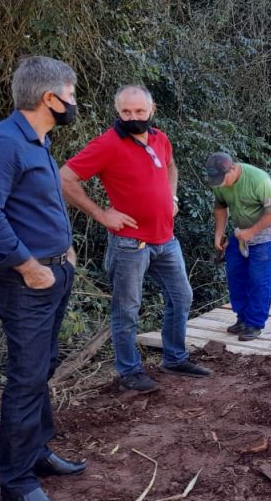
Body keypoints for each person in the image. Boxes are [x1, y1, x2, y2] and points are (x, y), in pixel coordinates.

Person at [0, 56, 84, 501]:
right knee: (26, 376)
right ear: (48, 98)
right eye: (71, 95)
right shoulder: (2, 143)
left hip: (54, 273)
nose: (74, 103)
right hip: (27, 281)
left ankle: (36, 450)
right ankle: (16, 483)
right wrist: (29, 266)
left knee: (43, 366)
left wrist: (66, 251)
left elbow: (41, 207)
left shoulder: (39, 141)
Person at [60, 85, 210, 393]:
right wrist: (102, 215)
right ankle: (129, 371)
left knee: (181, 297)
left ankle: (174, 358)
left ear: (151, 109)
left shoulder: (159, 138)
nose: (133, 117)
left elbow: (170, 166)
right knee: (127, 309)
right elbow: (64, 178)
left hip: (165, 239)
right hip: (129, 243)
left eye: (139, 111)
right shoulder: (108, 144)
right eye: (126, 112)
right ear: (118, 112)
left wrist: (172, 196)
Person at [205, 152, 271, 341]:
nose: (220, 184)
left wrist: (252, 232)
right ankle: (242, 318)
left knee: (259, 280)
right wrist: (218, 235)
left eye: (222, 179)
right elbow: (220, 207)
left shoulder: (259, 179)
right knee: (235, 276)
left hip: (266, 236)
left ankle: (254, 323)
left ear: (232, 168)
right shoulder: (219, 182)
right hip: (240, 234)